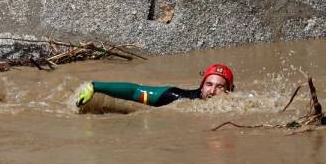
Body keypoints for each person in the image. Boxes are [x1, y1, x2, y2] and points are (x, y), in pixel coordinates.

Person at [75, 63, 234, 107]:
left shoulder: (236, 105)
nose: (212, 91)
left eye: (220, 87)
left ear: (229, 91)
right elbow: (134, 91)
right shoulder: (176, 97)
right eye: (209, 84)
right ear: (201, 85)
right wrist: (95, 87)